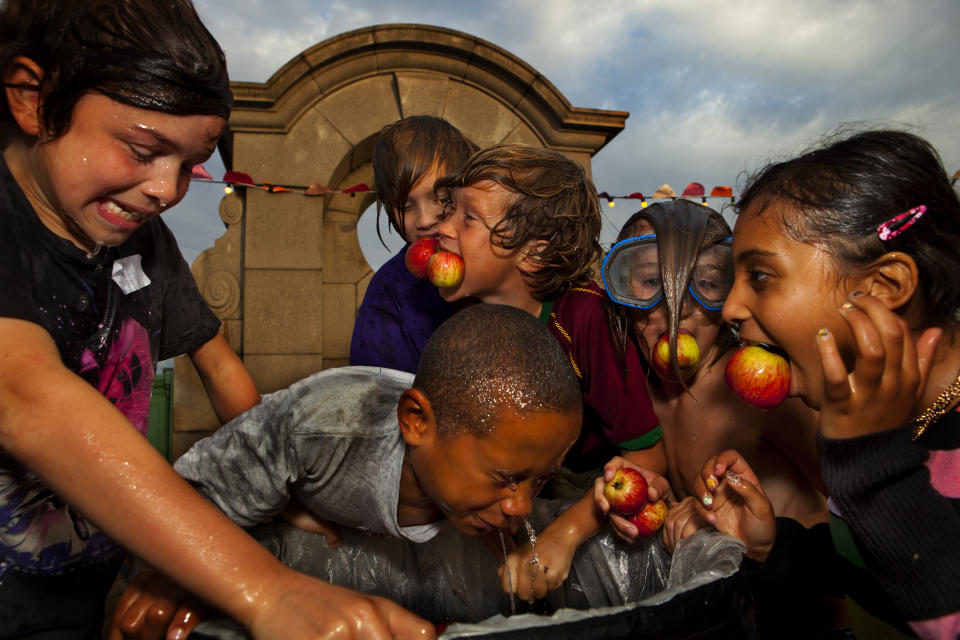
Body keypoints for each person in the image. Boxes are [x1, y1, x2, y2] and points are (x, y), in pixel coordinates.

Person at [0, 1, 430, 638]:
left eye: (188, 164)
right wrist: (265, 590)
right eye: (143, 149)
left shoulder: (146, 244)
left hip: (85, 592)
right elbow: (23, 393)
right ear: (33, 98)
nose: (167, 190)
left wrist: (279, 487)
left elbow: (217, 358)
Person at [679, 128, 960, 639]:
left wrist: (873, 465)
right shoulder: (885, 416)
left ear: (883, 287)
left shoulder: (874, 440)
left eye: (760, 276)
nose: (731, 308)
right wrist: (775, 546)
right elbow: (886, 576)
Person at [156, 303, 580, 633]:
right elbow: (187, 498)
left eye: (537, 480)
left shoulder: (499, 452)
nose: (522, 506)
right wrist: (182, 573)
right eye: (506, 480)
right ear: (415, 422)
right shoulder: (322, 428)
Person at [431, 144, 667, 601]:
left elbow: (649, 458)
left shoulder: (586, 317)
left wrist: (565, 534)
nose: (440, 228)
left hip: (585, 488)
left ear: (533, 253)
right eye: (449, 211)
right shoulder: (462, 322)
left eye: (468, 218)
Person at [600, 201, 826, 530]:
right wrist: (642, 503)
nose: (680, 306)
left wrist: (773, 543)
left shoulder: (763, 394)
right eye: (650, 281)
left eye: (706, 282)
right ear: (621, 292)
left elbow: (865, 513)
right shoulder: (634, 395)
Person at [349, 115, 475, 373]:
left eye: (440, 198)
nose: (425, 220)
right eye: (406, 207)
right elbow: (377, 393)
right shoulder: (387, 294)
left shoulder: (496, 258)